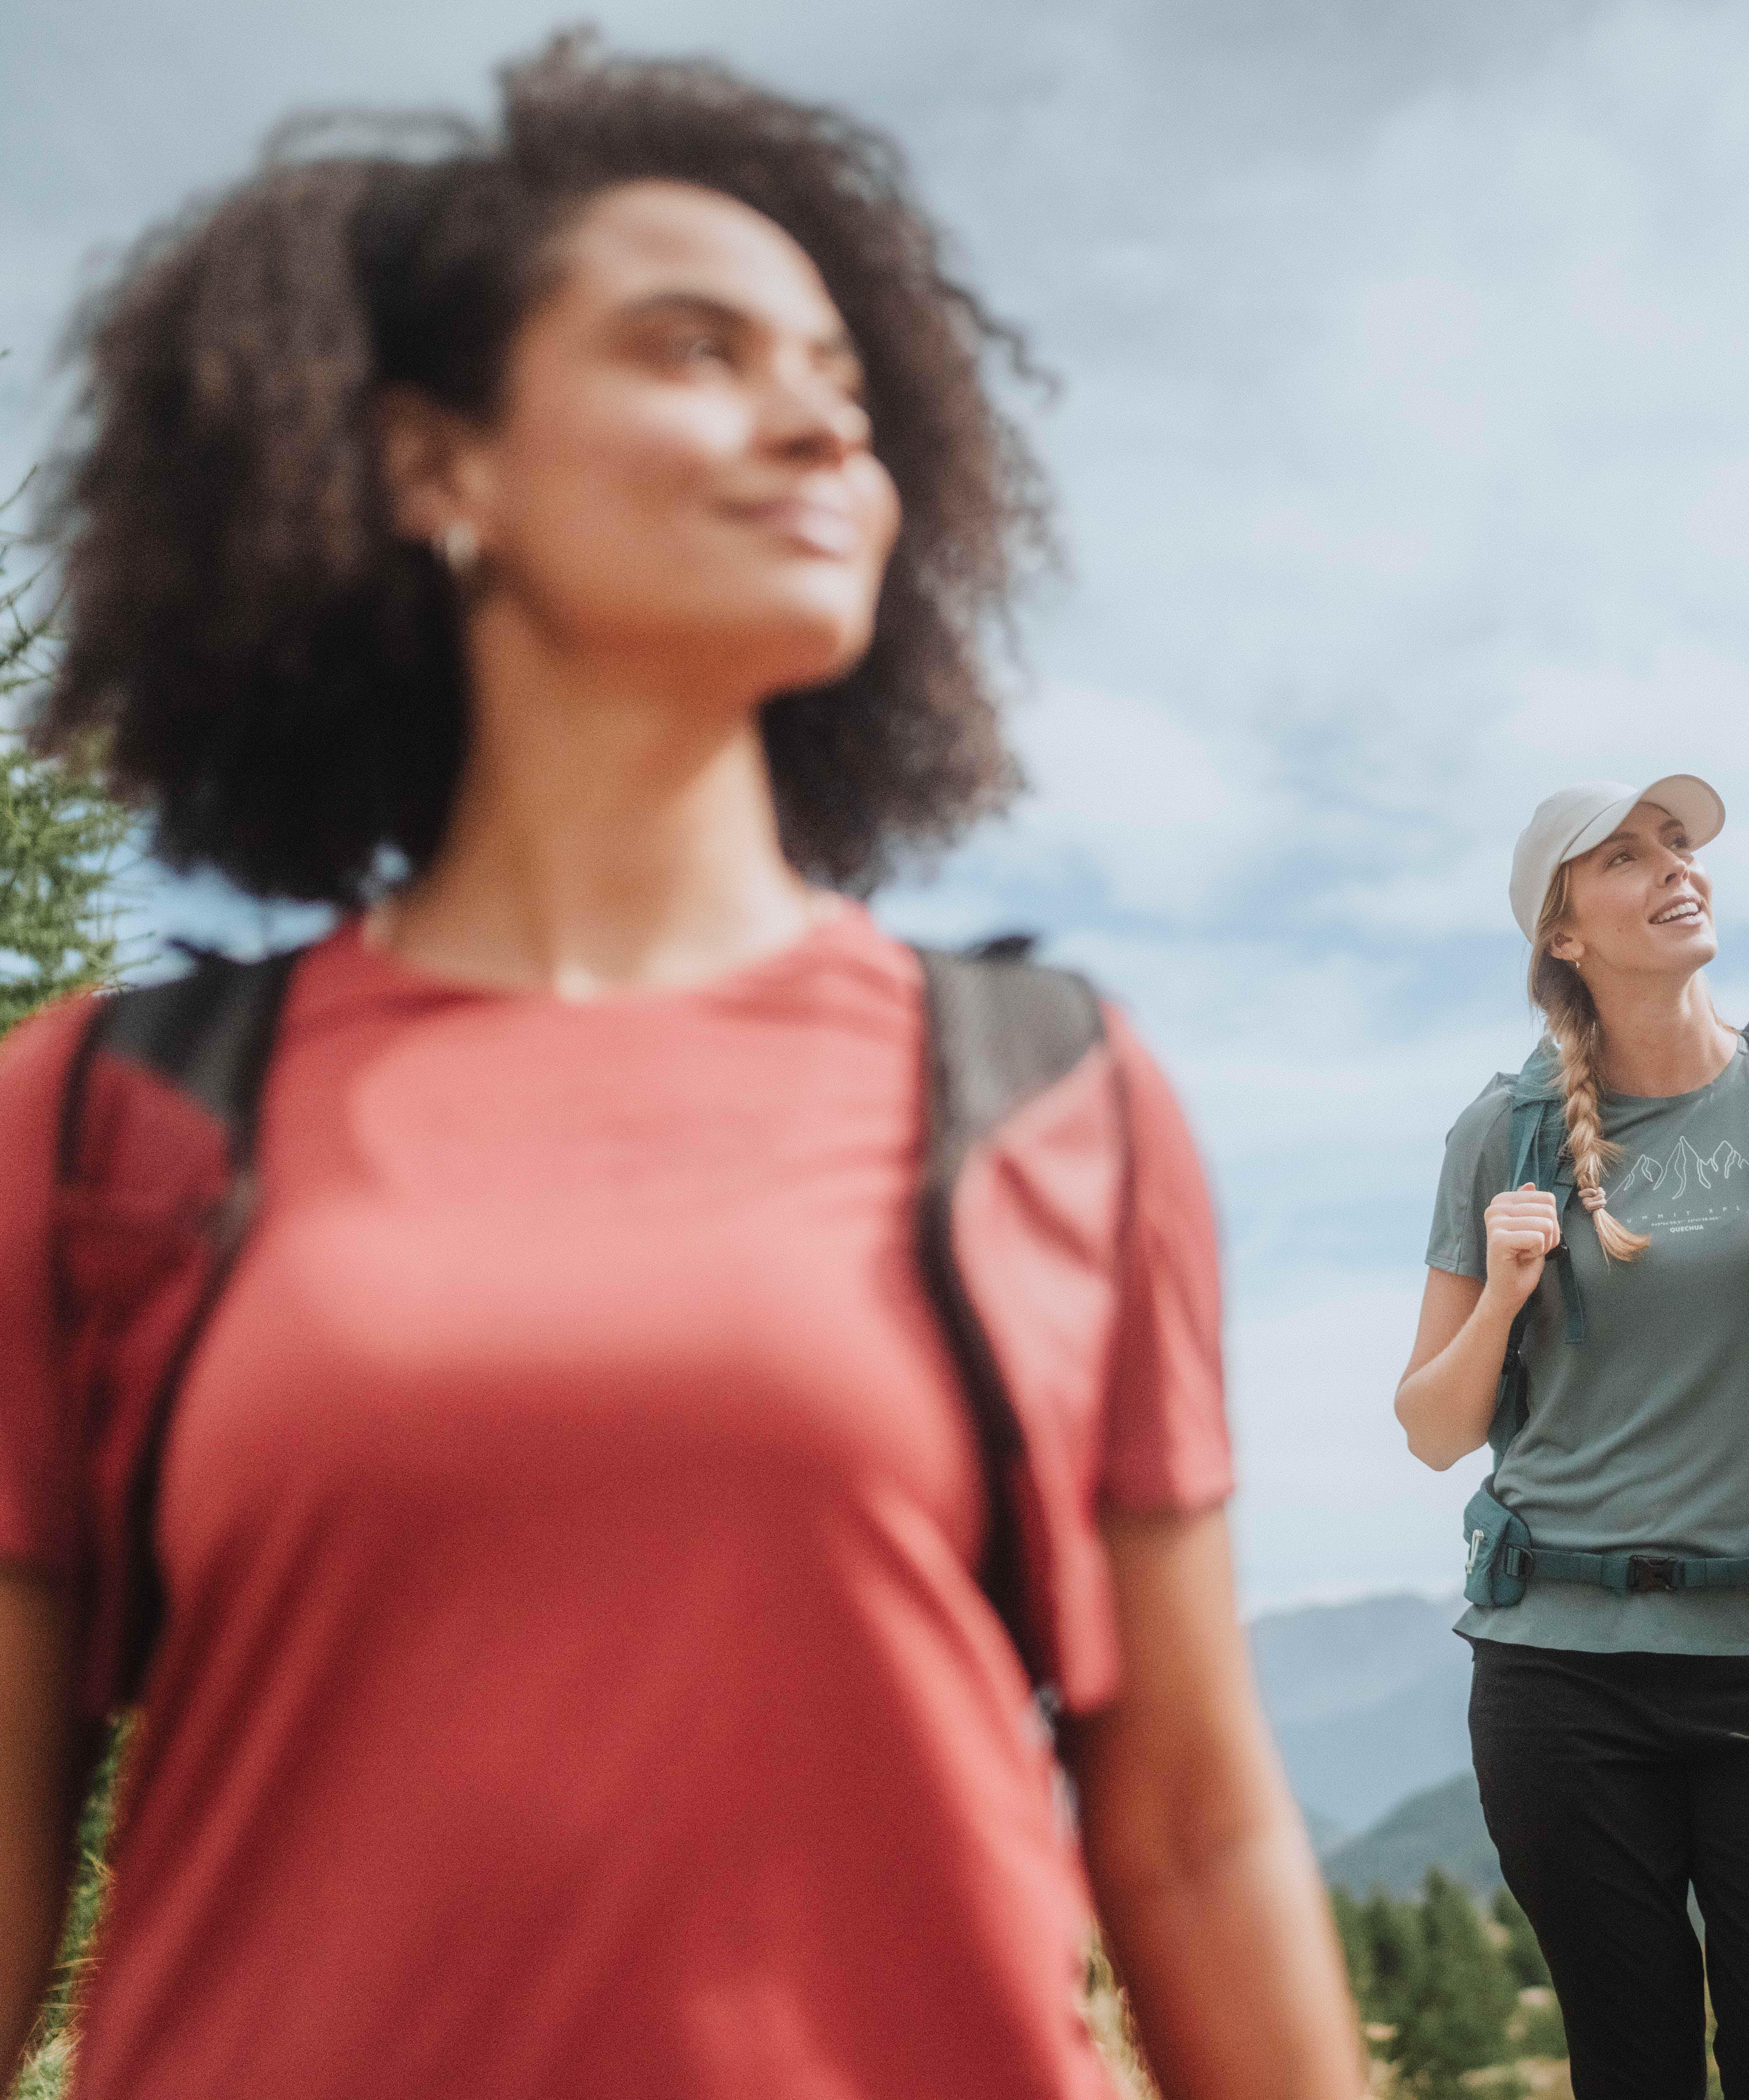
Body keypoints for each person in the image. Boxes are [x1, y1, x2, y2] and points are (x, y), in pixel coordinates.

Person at [0, 39, 1360, 2100]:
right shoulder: (102, 1120)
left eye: (842, 378)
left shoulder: (1052, 1096)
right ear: (431, 467)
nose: (819, 421)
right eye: (694, 348)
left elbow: (1189, 1831)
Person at [1395, 776, 1749, 2100]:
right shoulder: (1502, 1136)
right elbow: (1431, 1431)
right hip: (1556, 1675)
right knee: (1632, 2073)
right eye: (1624, 857)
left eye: (1680, 845)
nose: (1675, 868)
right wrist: (1501, 1299)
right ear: (1563, 934)